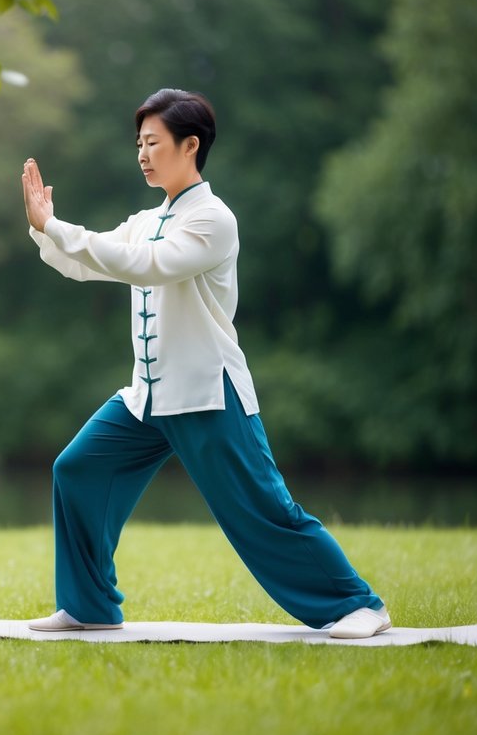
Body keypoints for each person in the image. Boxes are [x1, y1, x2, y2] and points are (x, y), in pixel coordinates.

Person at [20, 88, 390, 639]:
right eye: (138, 143)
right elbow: (89, 266)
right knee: (77, 470)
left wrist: (57, 227)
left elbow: (144, 266)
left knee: (261, 509)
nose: (142, 153)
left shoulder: (214, 220)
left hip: (206, 393)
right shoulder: (146, 219)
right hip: (146, 397)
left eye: (153, 142)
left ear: (190, 145)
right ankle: (90, 605)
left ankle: (360, 604)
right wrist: (43, 226)